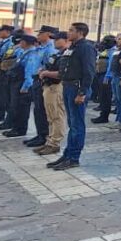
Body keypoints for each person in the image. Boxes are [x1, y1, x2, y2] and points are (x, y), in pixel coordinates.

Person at [47, 22, 96, 170]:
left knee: (77, 125)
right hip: (68, 86)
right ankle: (67, 154)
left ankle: (74, 157)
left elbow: (89, 71)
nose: (68, 33)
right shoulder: (72, 47)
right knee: (72, 124)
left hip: (77, 87)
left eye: (71, 30)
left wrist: (82, 92)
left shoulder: (86, 48)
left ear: (80, 32)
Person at [36, 31, 69, 156]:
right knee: (50, 116)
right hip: (48, 86)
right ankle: (50, 141)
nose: (54, 41)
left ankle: (55, 143)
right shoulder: (57, 54)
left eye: (57, 39)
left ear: (66, 40)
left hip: (56, 86)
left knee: (56, 115)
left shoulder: (67, 54)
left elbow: (62, 73)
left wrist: (46, 73)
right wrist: (44, 70)